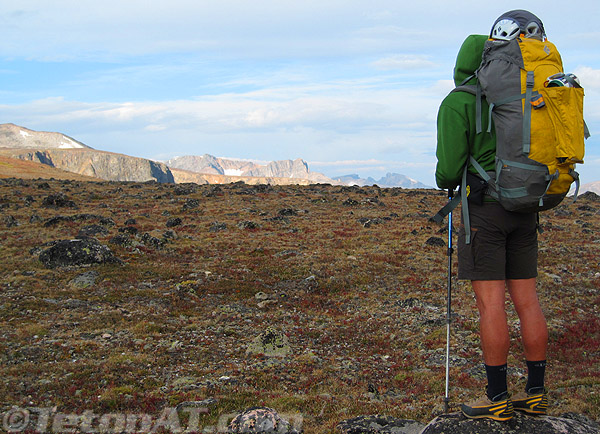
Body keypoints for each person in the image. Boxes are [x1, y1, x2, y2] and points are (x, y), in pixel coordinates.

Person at [435, 10, 549, 421]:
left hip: (485, 213)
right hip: (525, 207)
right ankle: (535, 393)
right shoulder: (522, 95)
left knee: (490, 306)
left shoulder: (459, 102)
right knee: (528, 302)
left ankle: (497, 398)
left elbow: (447, 172)